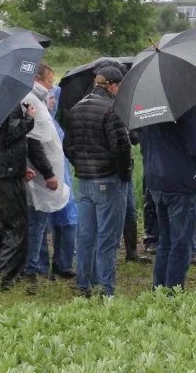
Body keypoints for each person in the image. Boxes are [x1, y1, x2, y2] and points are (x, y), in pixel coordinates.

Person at [64, 67, 133, 297]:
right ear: (112, 85)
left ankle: (84, 286)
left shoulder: (75, 109)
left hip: (84, 181)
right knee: (108, 238)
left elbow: (69, 147)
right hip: (108, 180)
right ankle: (106, 289)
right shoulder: (113, 109)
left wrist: (82, 166)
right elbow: (121, 147)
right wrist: (124, 175)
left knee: (85, 237)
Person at [0, 101, 56, 290]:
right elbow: (9, 134)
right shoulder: (6, 103)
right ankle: (4, 283)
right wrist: (29, 118)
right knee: (15, 230)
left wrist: (21, 167)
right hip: (4, 176)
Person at [141, 104, 196, 290]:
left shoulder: (152, 104)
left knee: (166, 240)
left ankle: (159, 289)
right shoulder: (189, 106)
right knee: (181, 242)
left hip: (156, 180)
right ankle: (174, 292)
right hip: (181, 183)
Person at [24, 67, 73, 289]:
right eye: (49, 82)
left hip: (45, 175)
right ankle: (33, 269)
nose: (52, 88)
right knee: (37, 223)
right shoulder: (29, 101)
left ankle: (39, 267)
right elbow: (35, 144)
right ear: (37, 80)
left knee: (42, 221)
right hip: (40, 176)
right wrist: (49, 173)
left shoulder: (40, 103)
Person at [43, 83, 77, 280]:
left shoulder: (53, 122)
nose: (54, 101)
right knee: (45, 225)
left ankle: (62, 264)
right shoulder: (39, 120)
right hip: (48, 179)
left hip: (62, 178)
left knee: (66, 222)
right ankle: (42, 267)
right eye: (50, 97)